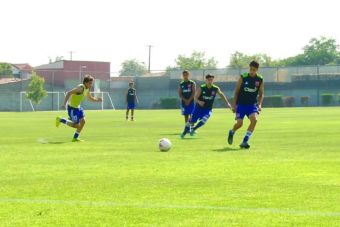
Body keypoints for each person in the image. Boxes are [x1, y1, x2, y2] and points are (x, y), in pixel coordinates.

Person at [181, 74, 232, 138]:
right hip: (198, 108)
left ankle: (194, 129)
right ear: (206, 80)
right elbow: (195, 98)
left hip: (208, 109)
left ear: (213, 80)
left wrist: (227, 103)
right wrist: (199, 102)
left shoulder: (215, 88)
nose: (210, 81)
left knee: (204, 120)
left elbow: (221, 95)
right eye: (208, 80)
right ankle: (184, 132)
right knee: (191, 121)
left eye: (211, 80)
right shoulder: (202, 87)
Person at [228, 60, 264, 149]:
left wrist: (259, 104)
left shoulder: (260, 79)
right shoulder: (243, 78)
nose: (252, 71)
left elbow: (261, 94)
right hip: (241, 105)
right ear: (249, 68)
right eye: (251, 69)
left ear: (257, 70)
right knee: (240, 124)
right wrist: (234, 105)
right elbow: (236, 92)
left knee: (254, 120)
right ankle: (232, 131)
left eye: (254, 70)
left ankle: (245, 141)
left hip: (251, 105)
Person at [56, 75, 102, 142]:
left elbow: (90, 98)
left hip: (78, 108)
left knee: (83, 122)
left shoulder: (87, 89)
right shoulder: (80, 88)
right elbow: (69, 93)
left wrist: (97, 100)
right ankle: (61, 120)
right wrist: (64, 104)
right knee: (77, 126)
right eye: (90, 83)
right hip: (72, 109)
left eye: (91, 83)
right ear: (85, 83)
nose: (91, 85)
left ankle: (75, 138)